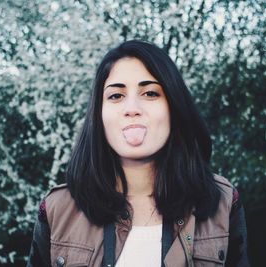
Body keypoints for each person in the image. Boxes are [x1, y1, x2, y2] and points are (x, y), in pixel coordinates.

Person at [27, 40, 249, 267]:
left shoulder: (222, 201)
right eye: (116, 96)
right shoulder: (58, 208)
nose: (132, 108)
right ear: (99, 114)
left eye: (150, 93)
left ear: (174, 106)